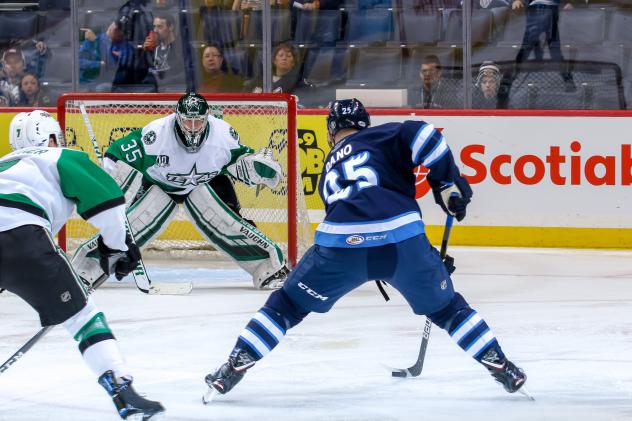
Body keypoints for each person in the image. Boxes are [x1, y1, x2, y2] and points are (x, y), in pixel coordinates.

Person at [203, 98, 528, 400]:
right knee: (448, 310)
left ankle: (235, 364)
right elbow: (424, 133)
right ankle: (500, 364)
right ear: (365, 124)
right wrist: (445, 182)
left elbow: (363, 224)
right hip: (403, 242)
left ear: (331, 131)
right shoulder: (383, 135)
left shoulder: (330, 166)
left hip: (342, 245)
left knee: (285, 306)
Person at [0, 110, 164, 420]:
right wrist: (117, 247)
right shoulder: (60, 155)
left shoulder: (4, 164)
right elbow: (110, 201)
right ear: (50, 137)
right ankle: (122, 392)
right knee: (82, 318)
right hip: (22, 236)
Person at [71, 92, 289, 290]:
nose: (193, 127)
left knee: (230, 223)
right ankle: (85, 270)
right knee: (131, 227)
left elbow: (240, 160)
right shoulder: (156, 136)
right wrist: (108, 176)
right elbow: (116, 152)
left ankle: (269, 268)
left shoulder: (223, 136)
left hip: (209, 182)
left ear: (207, 117)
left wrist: (253, 166)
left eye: (198, 121)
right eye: (187, 120)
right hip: (160, 185)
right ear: (177, 117)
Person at [79, 21, 136, 91]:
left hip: (116, 83)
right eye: (120, 32)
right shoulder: (92, 41)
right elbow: (79, 63)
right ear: (113, 29)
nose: (123, 35)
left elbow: (117, 65)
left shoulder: (125, 45)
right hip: (91, 81)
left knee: (103, 88)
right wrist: (98, 64)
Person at [142, 14, 185, 90]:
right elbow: (141, 74)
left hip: (173, 90)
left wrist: (163, 82)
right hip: (153, 90)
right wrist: (144, 53)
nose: (155, 30)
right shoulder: (153, 48)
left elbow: (183, 74)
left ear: (171, 27)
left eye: (159, 27)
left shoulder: (180, 48)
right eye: (154, 26)